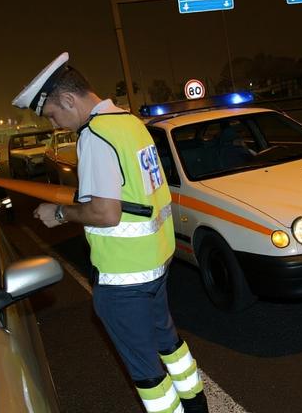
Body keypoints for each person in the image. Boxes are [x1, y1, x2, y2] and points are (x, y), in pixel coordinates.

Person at [12, 52, 209, 413]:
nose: (56, 125)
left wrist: (59, 213)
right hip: (156, 262)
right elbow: (130, 193)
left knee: (146, 371)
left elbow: (105, 212)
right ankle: (197, 405)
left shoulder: (95, 135)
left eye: (52, 115)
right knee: (169, 344)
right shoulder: (129, 122)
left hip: (123, 276)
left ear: (67, 100)